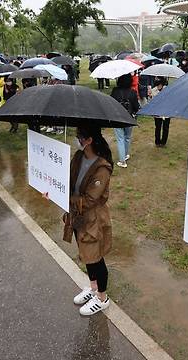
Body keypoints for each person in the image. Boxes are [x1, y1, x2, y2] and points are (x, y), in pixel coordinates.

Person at [63, 125, 114, 316]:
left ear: (90, 140)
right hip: (78, 215)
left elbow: (92, 199)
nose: (77, 139)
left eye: (79, 136)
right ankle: (93, 288)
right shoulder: (78, 157)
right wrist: (53, 188)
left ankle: (102, 298)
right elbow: (66, 180)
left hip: (92, 219)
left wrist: (67, 198)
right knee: (86, 254)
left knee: (95, 257)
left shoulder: (102, 167)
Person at [111, 74, 139, 168]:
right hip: (129, 118)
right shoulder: (133, 92)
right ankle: (125, 155)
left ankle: (122, 161)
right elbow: (136, 107)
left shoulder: (115, 91)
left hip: (117, 118)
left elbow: (111, 103)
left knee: (120, 139)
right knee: (127, 137)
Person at [151, 77, 171, 147]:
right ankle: (157, 142)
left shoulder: (168, 89)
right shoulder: (153, 90)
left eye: (160, 85)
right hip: (157, 112)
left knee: (165, 128)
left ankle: (163, 142)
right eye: (157, 85)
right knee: (158, 127)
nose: (159, 87)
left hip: (166, 112)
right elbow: (152, 102)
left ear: (162, 84)